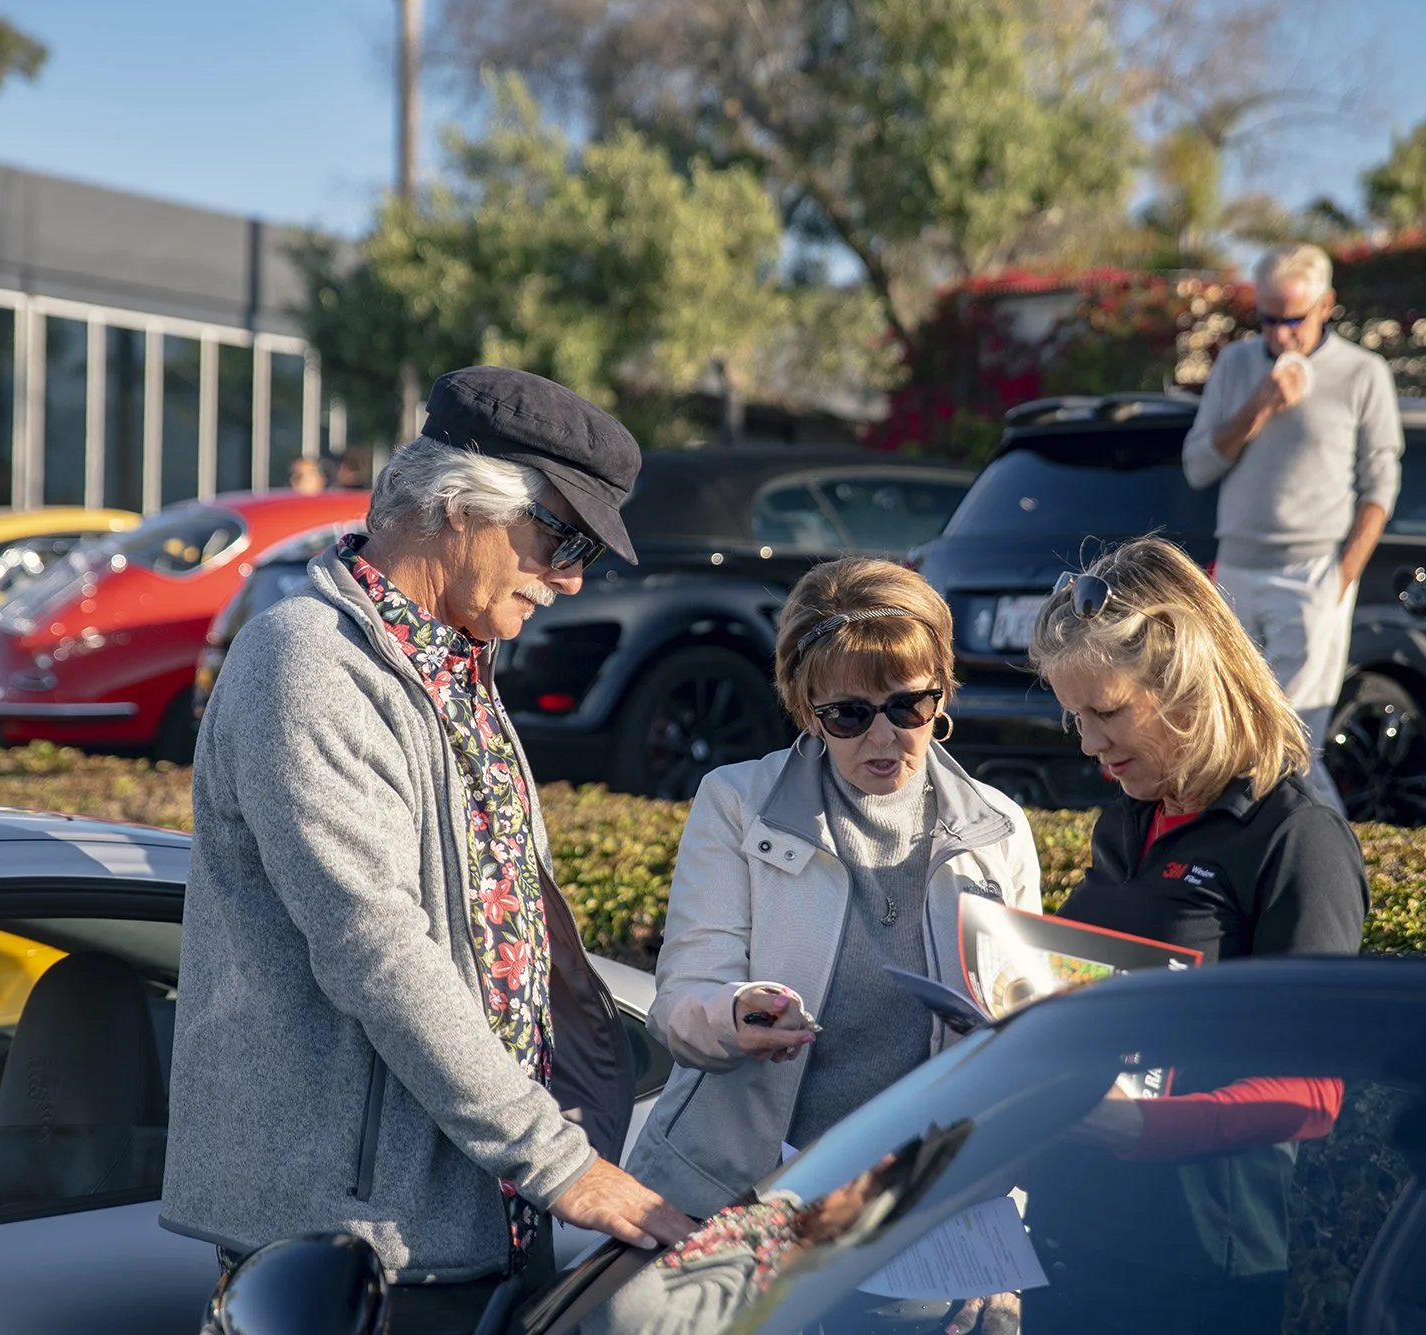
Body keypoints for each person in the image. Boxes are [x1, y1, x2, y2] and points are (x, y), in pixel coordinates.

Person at [163, 367, 694, 1330]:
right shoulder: (307, 660)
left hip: (471, 1227)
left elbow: (502, 934)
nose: (571, 577)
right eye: (560, 539)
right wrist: (562, 1164)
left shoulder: (453, 661)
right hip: (351, 1251)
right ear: (456, 507)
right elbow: (378, 946)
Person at [1022, 535, 1369, 1333]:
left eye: (1107, 712)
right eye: (1075, 717)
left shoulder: (1298, 840)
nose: (1088, 744)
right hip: (1070, 1229)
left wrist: (1145, 1126)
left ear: (1189, 685)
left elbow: (1312, 1093)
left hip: (1193, 1266)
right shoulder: (1129, 821)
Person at [625, 557, 1042, 1222]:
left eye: (910, 705)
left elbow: (1025, 1048)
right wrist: (733, 1015)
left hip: (914, 1209)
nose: (885, 737)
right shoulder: (735, 801)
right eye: (849, 715)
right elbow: (680, 1002)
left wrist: (1006, 1216)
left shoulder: (997, 828)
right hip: (734, 1192)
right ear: (805, 707)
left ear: (943, 691)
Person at [1181, 242, 1404, 815]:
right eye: (1269, 319)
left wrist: (1343, 575)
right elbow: (1199, 465)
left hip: (1314, 571)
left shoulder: (1362, 372)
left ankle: (1329, 859)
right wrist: (1258, 406)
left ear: (1327, 305)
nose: (1281, 335)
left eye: (1294, 319)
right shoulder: (1236, 365)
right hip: (1236, 570)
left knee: (1291, 737)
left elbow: (1381, 483)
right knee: (1230, 733)